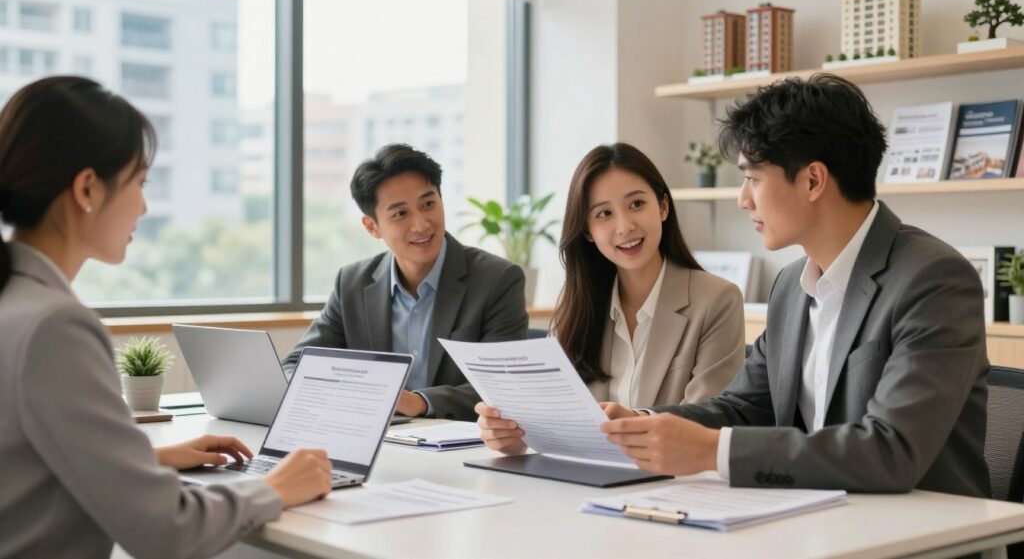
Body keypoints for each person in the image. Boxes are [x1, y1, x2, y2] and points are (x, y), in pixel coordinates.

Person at [601, 74, 990, 497]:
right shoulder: (791, 285)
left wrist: (714, 450)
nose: (743, 200)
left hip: (924, 536)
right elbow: (743, 409)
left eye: (752, 178)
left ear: (812, 181)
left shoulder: (933, 280)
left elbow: (891, 451)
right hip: (819, 520)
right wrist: (638, 424)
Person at [0, 76, 333, 559]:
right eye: (139, 182)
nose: (144, 205)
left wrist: (144, 461)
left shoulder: (15, 301)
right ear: (88, 188)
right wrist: (278, 487)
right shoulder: (54, 326)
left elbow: (20, 466)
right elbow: (165, 532)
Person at [477, 142, 746, 454]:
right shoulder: (576, 307)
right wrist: (515, 434)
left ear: (663, 207)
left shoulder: (717, 300)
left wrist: (635, 422)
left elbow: (709, 422)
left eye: (636, 205)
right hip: (586, 479)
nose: (625, 226)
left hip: (671, 483)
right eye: (604, 213)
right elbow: (554, 422)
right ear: (588, 231)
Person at [283, 144, 529, 421]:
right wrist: (344, 394)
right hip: (377, 440)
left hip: (458, 448)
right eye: (400, 213)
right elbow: (294, 366)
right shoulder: (351, 284)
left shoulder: (497, 280)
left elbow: (505, 387)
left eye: (428, 204)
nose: (422, 225)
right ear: (372, 226)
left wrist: (421, 402)